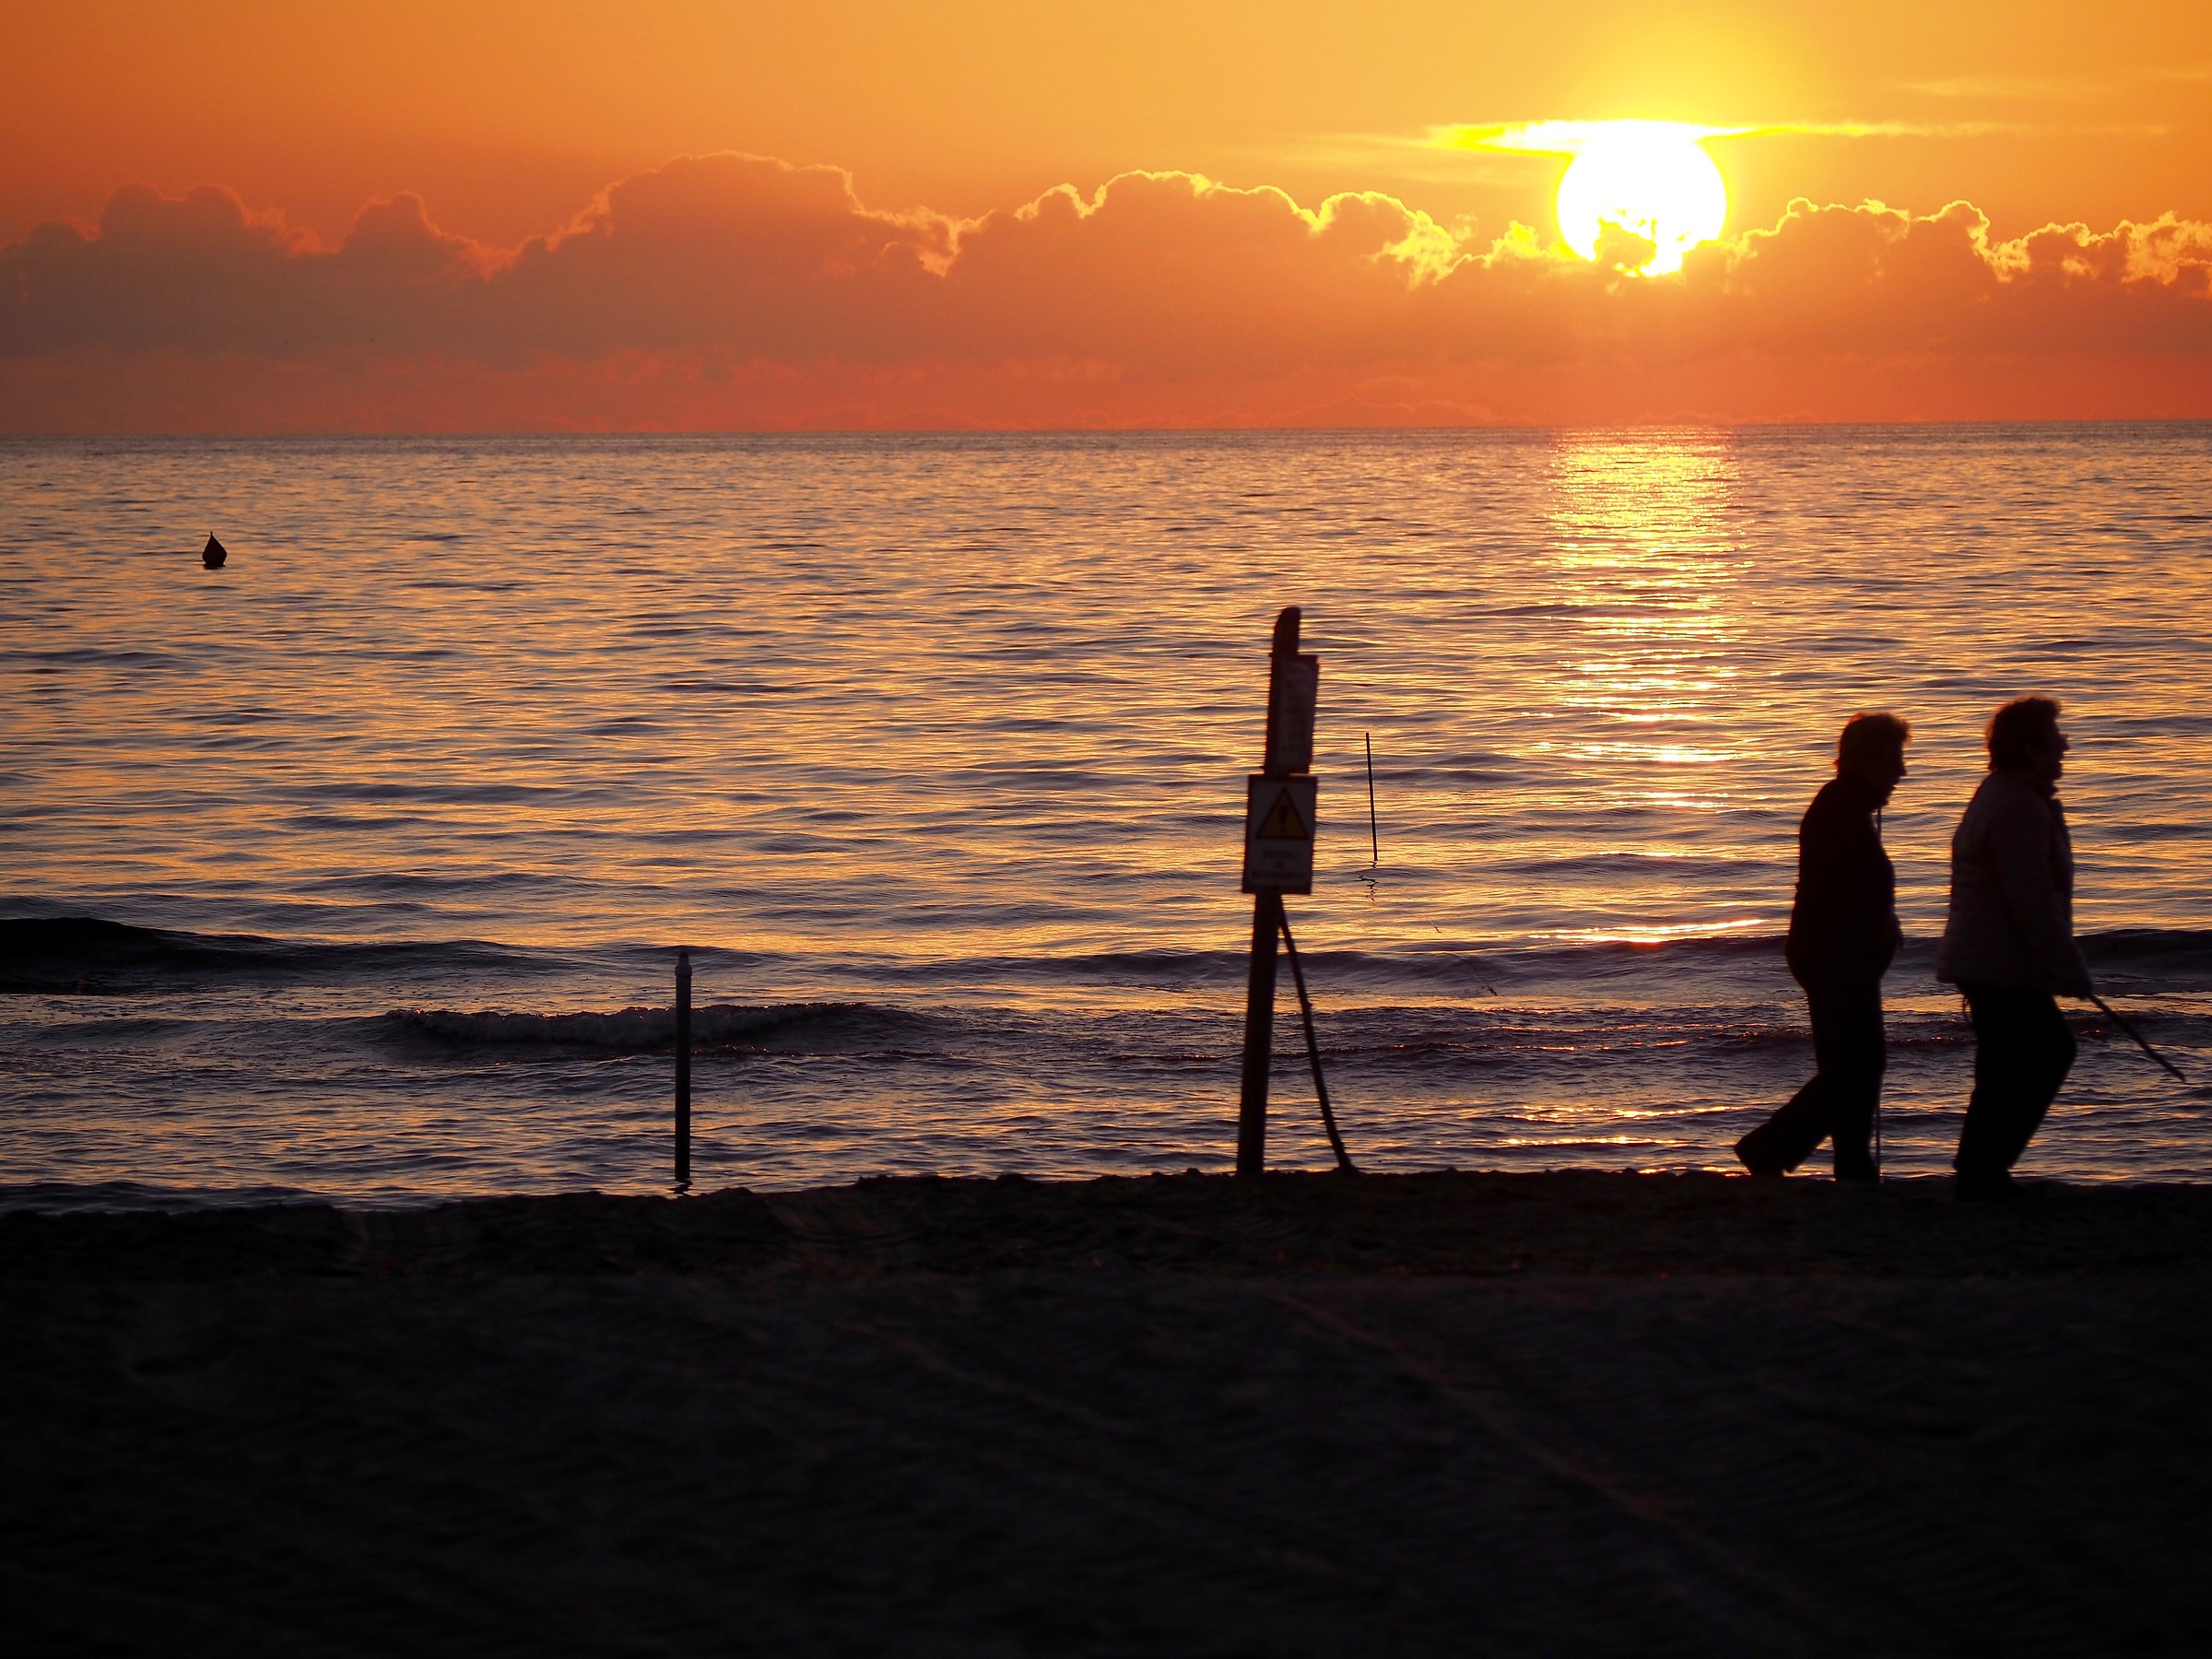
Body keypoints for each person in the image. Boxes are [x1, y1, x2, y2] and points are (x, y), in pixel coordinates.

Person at [1736, 712, 1911, 1181]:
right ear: (1868, 760)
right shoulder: (1841, 809)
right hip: (1835, 955)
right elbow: (1840, 891)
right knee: (1856, 1066)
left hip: (1836, 953)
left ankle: (1851, 1163)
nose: (1902, 771)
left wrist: (1882, 920)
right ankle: (1769, 1148)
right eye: (1894, 759)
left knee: (1852, 1064)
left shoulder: (1848, 805)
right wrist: (1875, 924)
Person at [1936, 696, 2091, 1198]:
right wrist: (2067, 965)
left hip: (1990, 959)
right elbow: (2032, 899)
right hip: (1998, 962)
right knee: (2047, 1051)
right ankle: (1983, 1170)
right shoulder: (2017, 806)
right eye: (2055, 738)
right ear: (2030, 748)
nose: (2065, 746)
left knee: (2005, 1064)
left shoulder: (2008, 795)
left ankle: (1980, 1169)